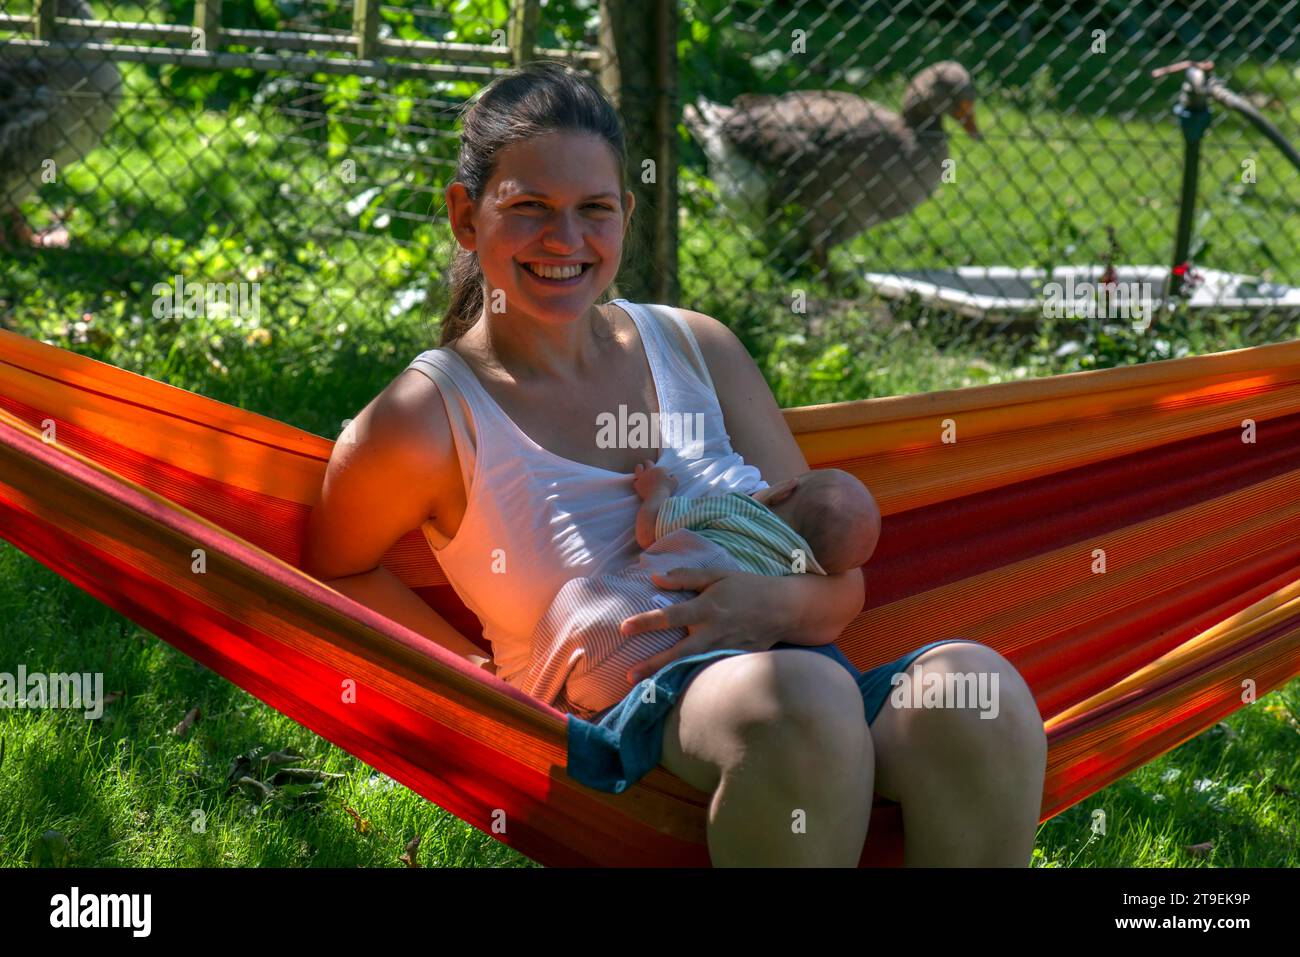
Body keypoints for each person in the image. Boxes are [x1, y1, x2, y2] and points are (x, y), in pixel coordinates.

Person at [303, 60, 1047, 866]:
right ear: (464, 216)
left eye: (594, 210)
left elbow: (838, 578)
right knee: (801, 703)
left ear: (625, 214)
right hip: (632, 721)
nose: (566, 240)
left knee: (980, 693)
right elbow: (335, 570)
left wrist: (761, 611)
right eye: (528, 210)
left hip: (806, 677)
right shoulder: (429, 416)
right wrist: (476, 678)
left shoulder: (698, 348)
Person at [518, 461, 881, 719]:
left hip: (614, 618)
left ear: (784, 491)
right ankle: (577, 710)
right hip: (658, 676)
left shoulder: (739, 506)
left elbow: (651, 528)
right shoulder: (802, 576)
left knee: (575, 596)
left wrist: (657, 489)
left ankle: (526, 697)